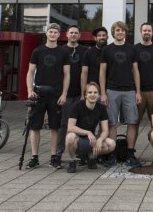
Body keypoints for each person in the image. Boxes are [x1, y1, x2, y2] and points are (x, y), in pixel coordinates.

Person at [26, 23, 71, 169]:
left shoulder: (63, 53)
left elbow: (67, 75)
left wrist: (64, 94)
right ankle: (34, 157)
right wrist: (29, 90)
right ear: (46, 33)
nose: (53, 34)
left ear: (59, 35)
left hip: (56, 94)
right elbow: (30, 72)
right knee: (35, 126)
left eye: (55, 32)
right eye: (50, 32)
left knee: (55, 127)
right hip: (38, 93)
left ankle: (54, 157)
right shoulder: (38, 51)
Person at [100, 21, 142, 167]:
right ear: (113, 32)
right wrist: (103, 93)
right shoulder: (107, 50)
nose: (120, 32)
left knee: (132, 122)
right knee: (112, 123)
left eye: (123, 30)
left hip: (129, 90)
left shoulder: (132, 49)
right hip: (112, 90)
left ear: (125, 33)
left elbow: (136, 71)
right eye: (118, 30)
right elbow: (102, 72)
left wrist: (138, 91)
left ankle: (130, 154)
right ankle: (111, 154)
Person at [65, 82, 116, 173]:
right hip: (78, 140)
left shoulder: (101, 108)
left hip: (91, 141)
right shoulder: (77, 106)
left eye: (95, 92)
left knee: (111, 144)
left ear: (99, 95)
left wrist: (100, 140)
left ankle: (91, 157)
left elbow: (105, 130)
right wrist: (88, 132)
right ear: (85, 95)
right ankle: (73, 160)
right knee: (70, 137)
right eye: (90, 92)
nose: (93, 95)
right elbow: (70, 127)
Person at [57, 25, 88, 161]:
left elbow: (85, 73)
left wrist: (84, 93)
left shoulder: (85, 51)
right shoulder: (60, 50)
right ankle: (58, 152)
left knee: (81, 124)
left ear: (80, 35)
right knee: (64, 123)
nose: (74, 35)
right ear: (66, 35)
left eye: (76, 33)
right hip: (66, 94)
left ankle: (81, 153)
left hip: (80, 93)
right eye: (71, 33)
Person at [81, 26, 108, 95]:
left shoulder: (111, 51)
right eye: (99, 35)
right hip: (92, 90)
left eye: (104, 35)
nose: (102, 37)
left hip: (109, 90)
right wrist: (83, 93)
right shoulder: (88, 53)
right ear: (95, 38)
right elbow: (84, 74)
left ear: (107, 37)